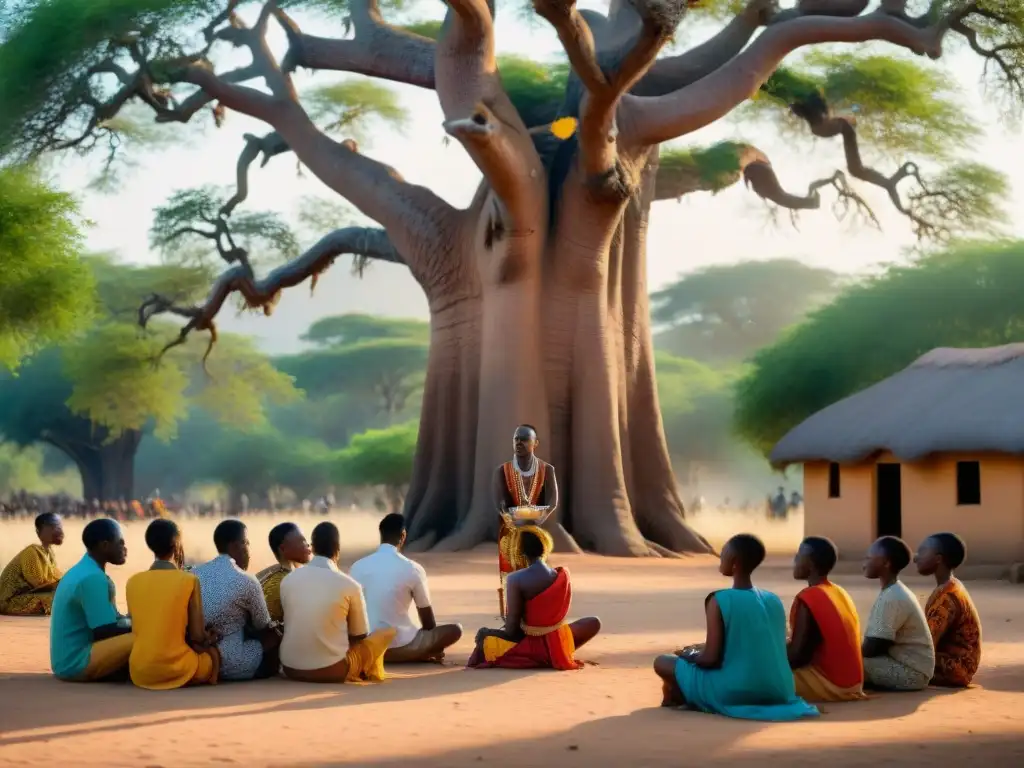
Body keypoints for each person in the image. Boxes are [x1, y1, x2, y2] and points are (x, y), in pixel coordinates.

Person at [653, 533, 819, 721]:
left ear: (734, 562)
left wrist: (688, 655)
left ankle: (683, 698)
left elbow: (710, 659)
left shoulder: (720, 600)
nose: (720, 557)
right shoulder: (773, 599)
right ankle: (683, 696)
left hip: (736, 690)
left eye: (723, 553)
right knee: (688, 665)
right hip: (780, 690)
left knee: (663, 661)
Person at [467, 526, 599, 670]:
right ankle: (553, 653)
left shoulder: (515, 579)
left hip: (531, 646)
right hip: (557, 643)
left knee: (483, 636)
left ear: (520, 552)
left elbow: (512, 631)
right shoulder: (559, 574)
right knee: (593, 622)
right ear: (545, 547)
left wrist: (493, 629)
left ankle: (538, 657)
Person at [279, 522, 396, 683]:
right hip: (332, 670)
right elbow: (359, 635)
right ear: (338, 549)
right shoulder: (350, 585)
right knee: (387, 632)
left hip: (290, 668)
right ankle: (366, 671)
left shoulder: (288, 580)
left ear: (312, 548)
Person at [350, 513, 463, 663]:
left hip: (369, 648)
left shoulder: (357, 567)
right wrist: (433, 646)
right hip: (406, 647)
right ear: (403, 535)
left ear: (381, 535)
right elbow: (428, 621)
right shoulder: (413, 568)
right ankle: (421, 654)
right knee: (456, 629)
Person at [126, 519, 221, 689]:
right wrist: (210, 637)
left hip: (140, 669)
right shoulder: (189, 580)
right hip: (176, 667)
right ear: (177, 545)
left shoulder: (133, 581)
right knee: (212, 657)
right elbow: (197, 636)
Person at [193, 520, 280, 681]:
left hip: (198, 659)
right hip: (230, 666)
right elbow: (263, 624)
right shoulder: (246, 580)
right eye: (246, 543)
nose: (249, 550)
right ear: (235, 546)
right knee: (275, 635)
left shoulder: (194, 573)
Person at [49, 519, 133, 682]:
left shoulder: (84, 569)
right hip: (75, 663)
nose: (125, 548)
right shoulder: (92, 578)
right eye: (120, 543)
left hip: (65, 661)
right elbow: (104, 631)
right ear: (105, 546)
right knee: (145, 636)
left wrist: (129, 622)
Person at [787, 536, 866, 702]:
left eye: (799, 555)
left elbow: (797, 657)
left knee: (757, 676)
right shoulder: (838, 591)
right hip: (853, 684)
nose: (795, 559)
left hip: (832, 685)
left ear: (810, 563)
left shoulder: (810, 596)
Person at [492, 425, 559, 615]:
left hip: (536, 530)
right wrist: (511, 519)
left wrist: (539, 518)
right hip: (511, 531)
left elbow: (553, 501)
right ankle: (512, 615)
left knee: (538, 570)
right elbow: (499, 503)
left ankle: (540, 612)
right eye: (516, 439)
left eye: (524, 439)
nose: (519, 443)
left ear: (535, 443)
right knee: (512, 573)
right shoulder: (502, 471)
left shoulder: (547, 470)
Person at [861, 536, 935, 691]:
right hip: (907, 666)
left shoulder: (893, 596)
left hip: (912, 674)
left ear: (886, 563)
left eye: (869, 559)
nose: (864, 564)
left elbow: (874, 647)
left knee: (843, 662)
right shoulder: (892, 590)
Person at [915, 532, 982, 687]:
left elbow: (927, 643)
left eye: (922, 552)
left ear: (938, 559)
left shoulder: (948, 597)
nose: (915, 558)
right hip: (957, 663)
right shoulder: (949, 587)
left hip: (956, 668)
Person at [0, 512, 65, 616]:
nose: (60, 531)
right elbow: (38, 584)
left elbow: (55, 578)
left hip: (28, 597)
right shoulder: (31, 552)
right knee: (62, 598)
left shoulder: (49, 554)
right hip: (11, 601)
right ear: (41, 531)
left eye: (60, 526)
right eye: (55, 526)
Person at [256, 522, 312, 624]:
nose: (308, 544)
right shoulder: (278, 584)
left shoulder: (294, 575)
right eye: (302, 541)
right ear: (283, 549)